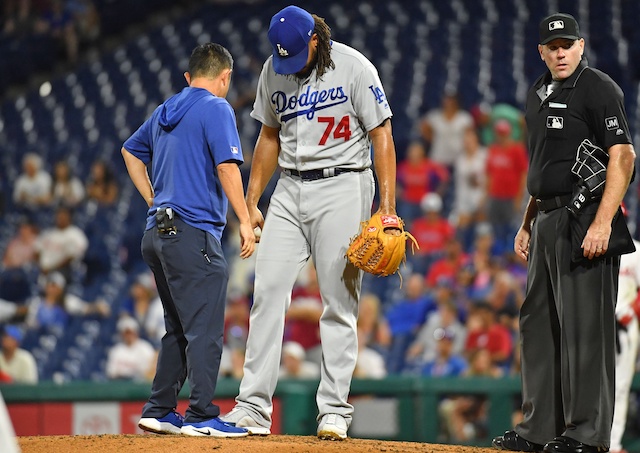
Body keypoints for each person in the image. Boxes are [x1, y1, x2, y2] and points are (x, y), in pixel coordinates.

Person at [221, 5, 397, 441]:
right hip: (289, 187)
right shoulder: (273, 69)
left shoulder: (355, 67)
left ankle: (334, 409)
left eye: (295, 53)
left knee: (339, 301)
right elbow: (268, 134)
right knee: (266, 292)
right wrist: (252, 200)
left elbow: (382, 134)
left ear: (315, 39)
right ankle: (252, 408)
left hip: (344, 184)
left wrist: (387, 207)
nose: (288, 63)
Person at [493, 13, 636, 453]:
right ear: (541, 51)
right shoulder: (537, 92)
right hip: (546, 220)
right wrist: (527, 220)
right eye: (552, 46)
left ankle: (587, 435)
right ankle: (540, 430)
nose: (560, 52)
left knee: (584, 330)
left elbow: (624, 156)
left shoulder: (598, 87)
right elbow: (543, 165)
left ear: (581, 46)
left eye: (567, 44)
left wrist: (602, 222)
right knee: (539, 324)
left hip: (585, 218)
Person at [121, 42, 255, 438]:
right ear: (225, 77)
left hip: (156, 233)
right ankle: (201, 415)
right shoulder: (216, 107)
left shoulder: (165, 110)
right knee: (205, 328)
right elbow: (227, 168)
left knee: (178, 327)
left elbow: (130, 151)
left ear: (188, 77)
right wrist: (245, 221)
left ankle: (160, 409)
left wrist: (152, 198)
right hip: (192, 231)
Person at [610, 237, 640, 453]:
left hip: (625, 325)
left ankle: (613, 444)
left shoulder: (636, 250)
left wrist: (632, 311)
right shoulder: (591, 242)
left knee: (620, 387)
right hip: (596, 324)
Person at [105, 316, 156, 381]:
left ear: (136, 332)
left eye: (131, 332)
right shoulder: (116, 350)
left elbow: (150, 371)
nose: (129, 336)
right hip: (120, 383)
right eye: (126, 333)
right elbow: (111, 372)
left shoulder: (145, 348)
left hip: (139, 385)